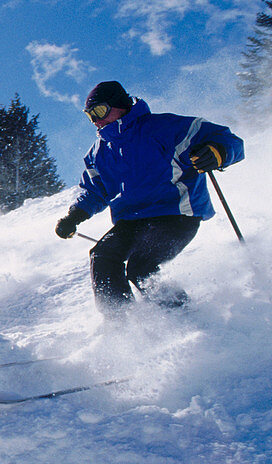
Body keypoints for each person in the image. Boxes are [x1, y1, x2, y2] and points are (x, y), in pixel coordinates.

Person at [55, 80, 244, 315]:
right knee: (102, 256)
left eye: (100, 111)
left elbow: (230, 141)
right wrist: (75, 216)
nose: (96, 120)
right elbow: (96, 189)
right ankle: (121, 327)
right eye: (90, 115)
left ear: (119, 105)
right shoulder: (100, 151)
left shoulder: (165, 127)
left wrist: (217, 152)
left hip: (175, 215)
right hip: (131, 220)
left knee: (141, 266)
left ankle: (184, 316)